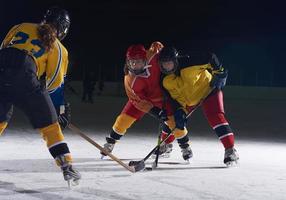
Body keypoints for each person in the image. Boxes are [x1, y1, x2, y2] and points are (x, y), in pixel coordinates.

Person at [0, 7, 81, 183]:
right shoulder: (59, 48)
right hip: (24, 73)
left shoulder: (21, 26)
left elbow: (4, 47)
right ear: (64, 29)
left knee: (1, 118)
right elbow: (54, 86)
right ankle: (66, 165)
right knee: (49, 124)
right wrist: (59, 111)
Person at [100, 42, 193, 161]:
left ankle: (185, 147)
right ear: (127, 62)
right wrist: (155, 111)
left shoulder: (153, 56)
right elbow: (137, 101)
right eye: (131, 62)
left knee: (174, 122)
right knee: (123, 120)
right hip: (141, 100)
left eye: (138, 61)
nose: (134, 65)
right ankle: (110, 143)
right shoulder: (129, 79)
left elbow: (158, 46)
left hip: (163, 98)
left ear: (144, 59)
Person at [158, 46, 239, 165]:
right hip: (187, 101)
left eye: (169, 63)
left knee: (215, 117)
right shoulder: (164, 80)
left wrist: (220, 72)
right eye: (164, 64)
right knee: (173, 119)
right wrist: (179, 110)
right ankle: (166, 145)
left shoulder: (191, 61)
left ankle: (230, 150)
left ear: (175, 60)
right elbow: (172, 99)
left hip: (209, 91)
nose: (167, 67)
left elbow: (211, 57)